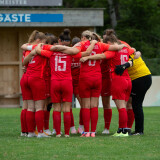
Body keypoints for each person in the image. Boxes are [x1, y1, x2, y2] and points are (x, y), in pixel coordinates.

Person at [35, 29, 97, 137]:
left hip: (54, 82)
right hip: (67, 82)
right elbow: (86, 53)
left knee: (57, 108)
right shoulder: (70, 53)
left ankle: (58, 133)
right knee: (67, 108)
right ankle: (67, 133)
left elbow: (38, 50)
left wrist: (39, 44)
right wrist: (93, 43)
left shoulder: (51, 53)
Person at [80, 30, 137, 137]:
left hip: (117, 79)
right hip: (127, 79)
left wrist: (88, 57)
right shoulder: (125, 48)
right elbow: (135, 52)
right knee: (125, 105)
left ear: (109, 42)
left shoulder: (113, 51)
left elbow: (101, 56)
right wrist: (130, 61)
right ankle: (123, 129)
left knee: (121, 107)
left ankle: (123, 131)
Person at [115, 51, 152, 135]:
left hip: (139, 78)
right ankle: (132, 129)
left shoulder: (126, 54)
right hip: (144, 77)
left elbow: (130, 62)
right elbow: (137, 52)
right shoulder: (131, 52)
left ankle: (139, 130)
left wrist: (123, 67)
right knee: (133, 103)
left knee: (136, 104)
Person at [22, 31, 49, 138]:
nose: (45, 44)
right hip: (37, 78)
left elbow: (24, 63)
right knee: (39, 107)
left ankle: (30, 132)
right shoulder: (42, 49)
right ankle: (41, 132)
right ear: (39, 41)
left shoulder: (28, 50)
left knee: (30, 107)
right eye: (44, 42)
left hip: (26, 77)